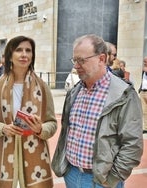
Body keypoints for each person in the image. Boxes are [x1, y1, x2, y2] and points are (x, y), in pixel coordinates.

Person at [51, 34, 143, 188]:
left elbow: (133, 144)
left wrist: (112, 179)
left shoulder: (124, 94)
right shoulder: (75, 91)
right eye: (75, 60)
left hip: (102, 181)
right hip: (71, 174)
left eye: (82, 60)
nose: (76, 66)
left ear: (101, 59)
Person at [0, 36, 57, 187]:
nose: (24, 54)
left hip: (35, 156)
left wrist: (41, 129)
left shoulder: (42, 86)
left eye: (28, 51)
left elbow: (52, 123)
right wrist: (3, 128)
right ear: (10, 55)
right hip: (5, 155)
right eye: (19, 50)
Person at [139, 56, 147, 134]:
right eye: (144, 61)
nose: (144, 62)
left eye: (146, 61)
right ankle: (145, 128)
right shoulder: (143, 71)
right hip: (143, 92)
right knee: (144, 111)